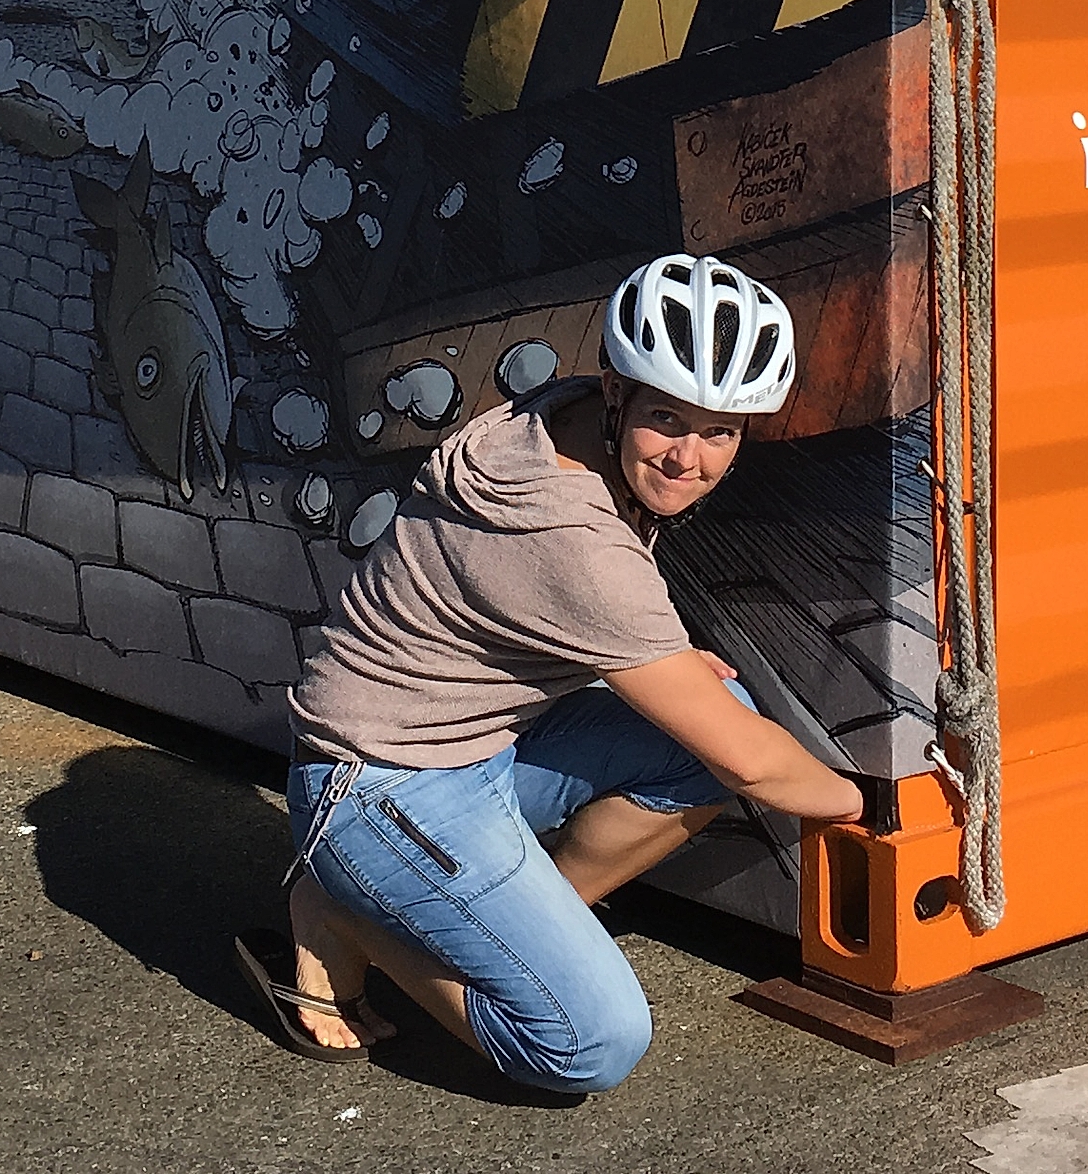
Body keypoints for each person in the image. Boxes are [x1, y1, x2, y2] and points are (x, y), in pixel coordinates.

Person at [244, 254, 864, 1093]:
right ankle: (350, 914)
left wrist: (665, 664)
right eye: (668, 419)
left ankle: (492, 926)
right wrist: (868, 799)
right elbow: (752, 763)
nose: (689, 456)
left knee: (716, 712)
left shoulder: (564, 413)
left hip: (475, 744)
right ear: (617, 391)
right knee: (590, 1042)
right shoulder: (575, 540)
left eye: (721, 430)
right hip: (378, 785)